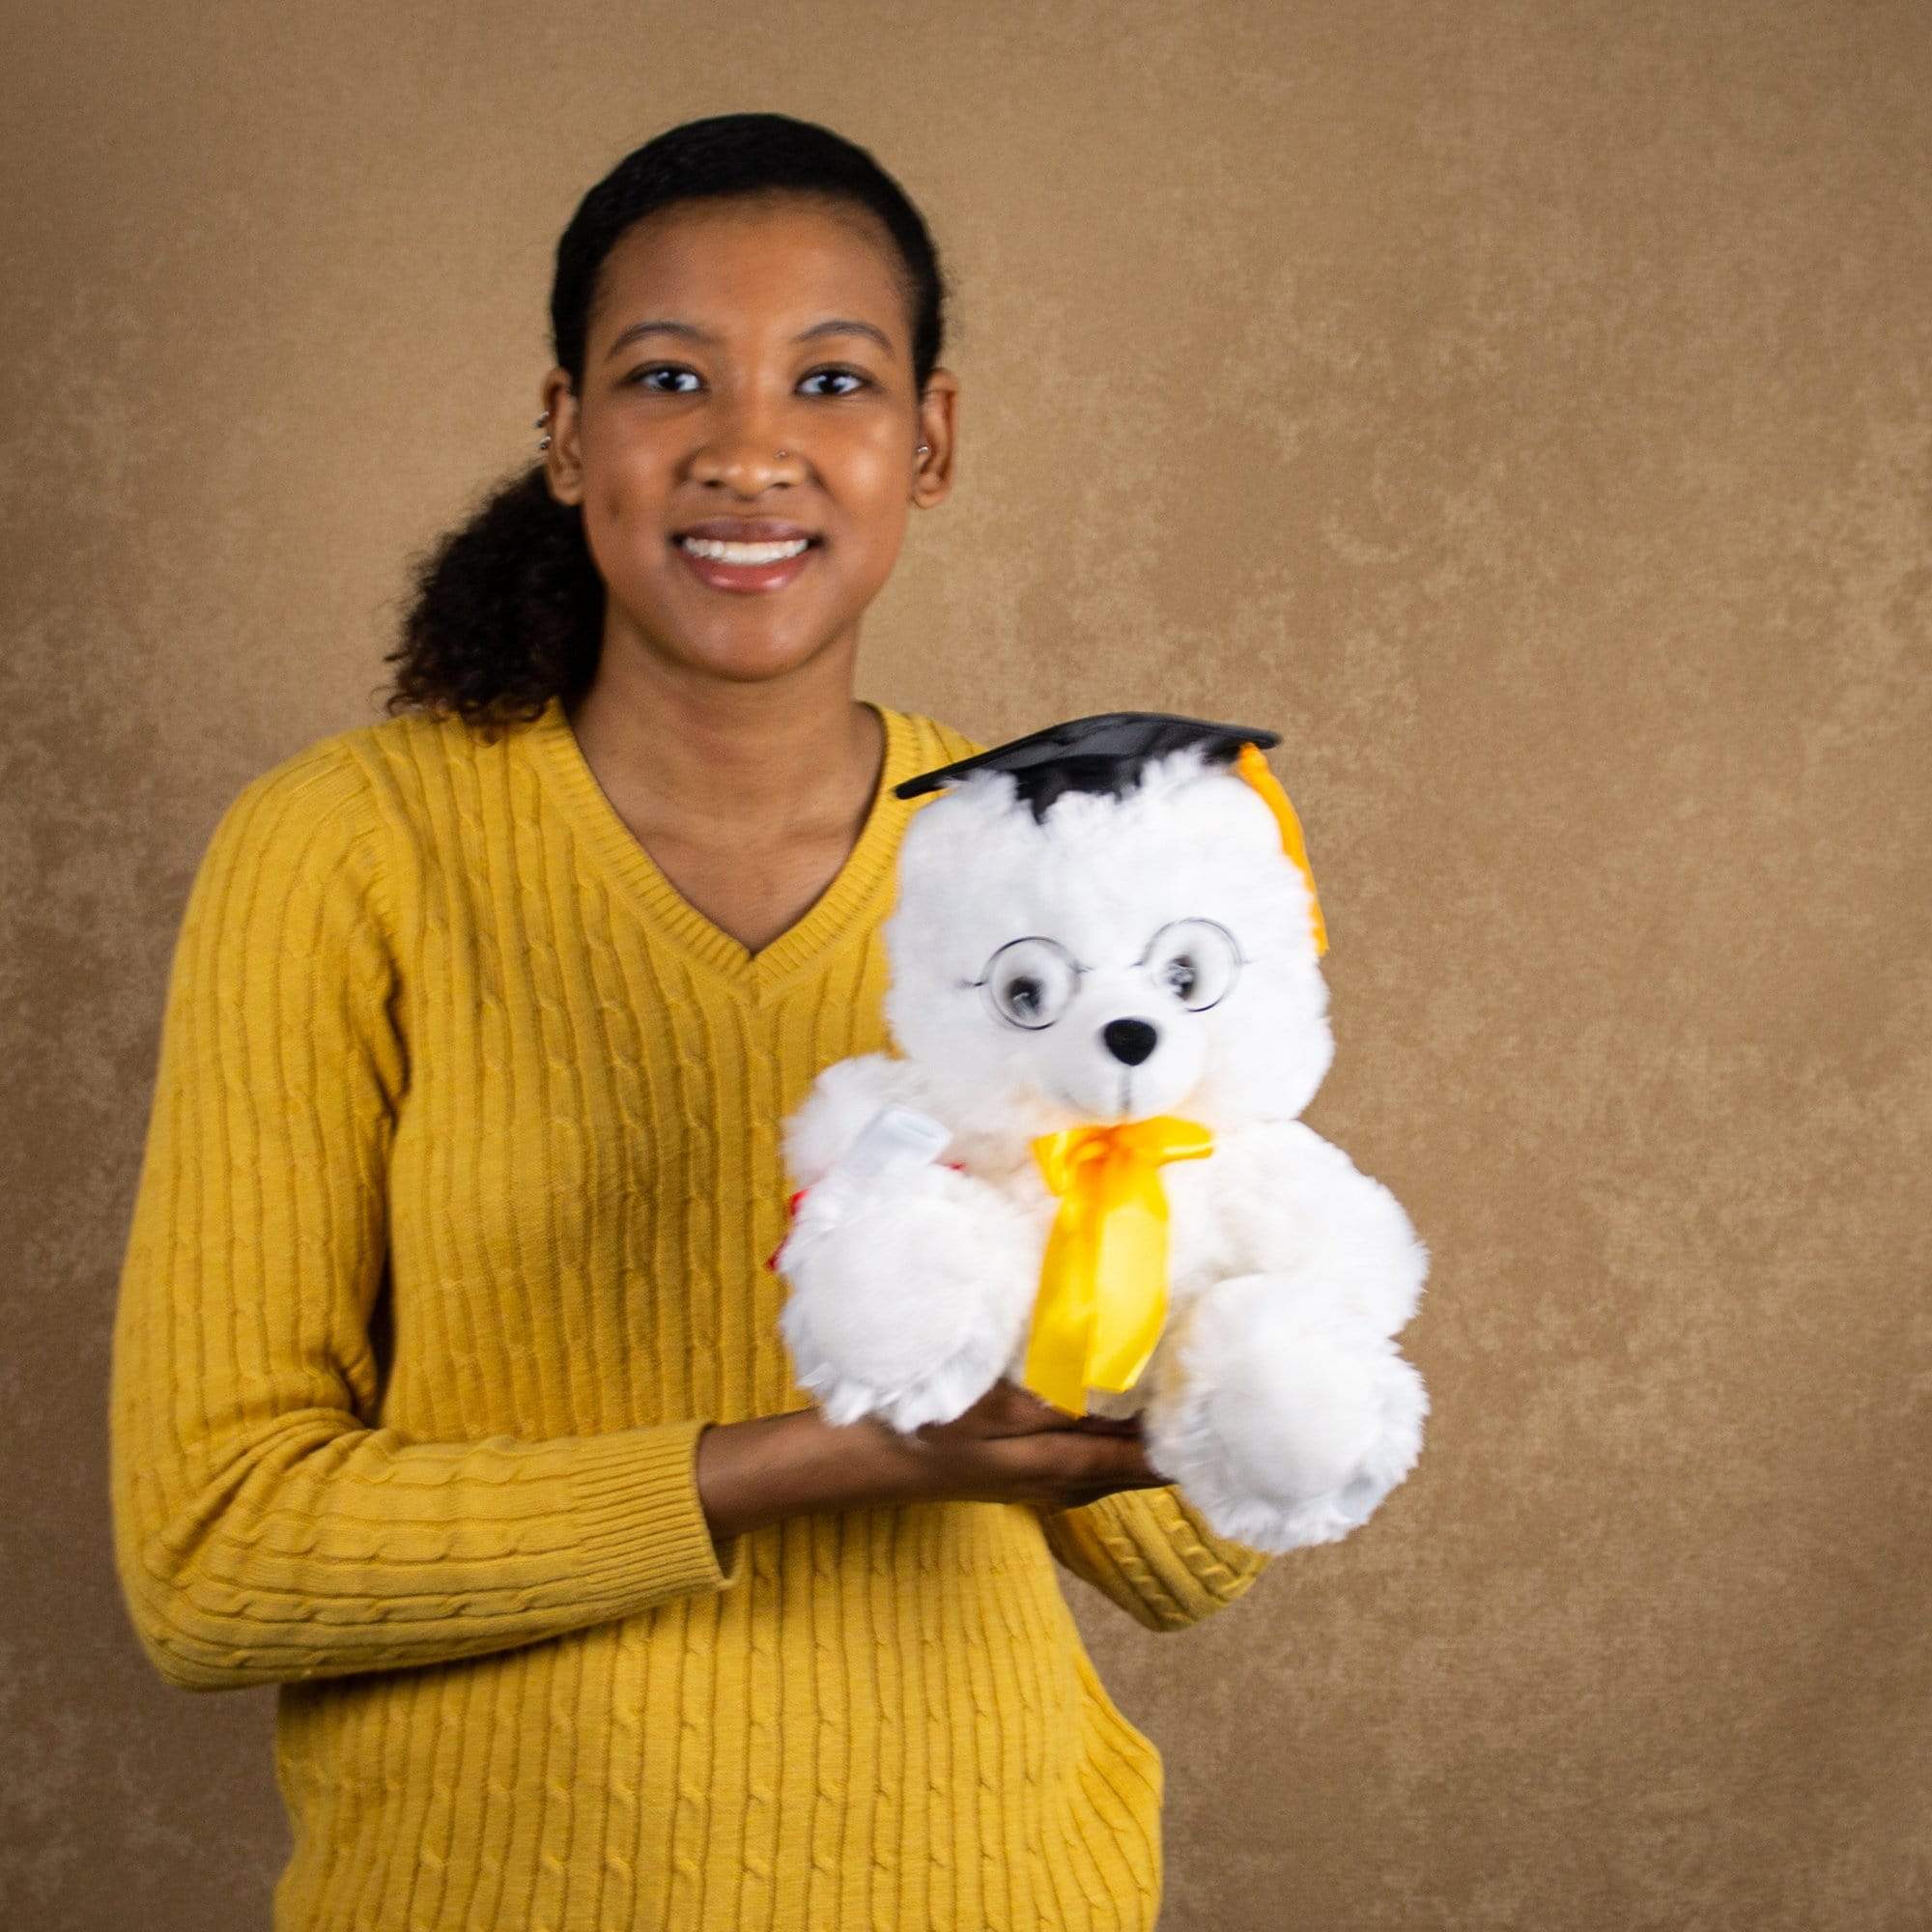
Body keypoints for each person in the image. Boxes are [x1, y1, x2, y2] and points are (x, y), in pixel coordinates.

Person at [108, 111, 1273, 1932]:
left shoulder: (1072, 861)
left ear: (930, 441)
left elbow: (1200, 1552)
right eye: (670, 379)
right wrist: (802, 1461)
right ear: (569, 435)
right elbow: (214, 1558)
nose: (751, 452)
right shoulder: (350, 850)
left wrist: (1048, 1366)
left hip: (995, 1888)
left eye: (833, 380)